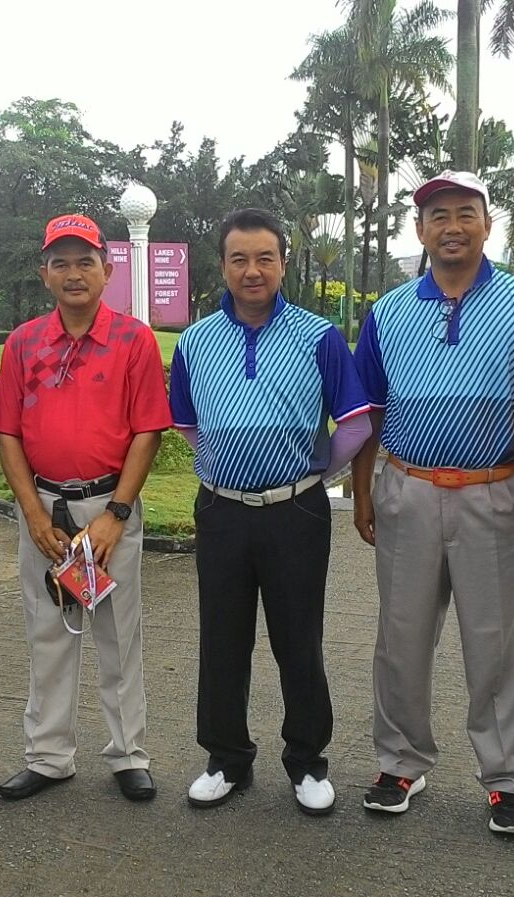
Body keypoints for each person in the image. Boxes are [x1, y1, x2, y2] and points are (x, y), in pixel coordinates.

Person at [351, 170, 514, 833]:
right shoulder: (387, 312)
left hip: (494, 491)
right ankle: (400, 761)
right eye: (438, 215)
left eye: (466, 213)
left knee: (499, 644)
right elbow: (370, 412)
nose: (452, 227)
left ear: (488, 225)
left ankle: (509, 779)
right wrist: (364, 492)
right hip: (406, 488)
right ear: (420, 230)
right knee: (400, 637)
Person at [168, 208, 373, 816]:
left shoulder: (318, 336)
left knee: (298, 639)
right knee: (222, 639)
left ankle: (307, 761)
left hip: (295, 512)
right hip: (222, 510)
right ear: (223, 266)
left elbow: (355, 423)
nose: (252, 270)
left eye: (265, 258)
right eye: (239, 259)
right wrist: (227, 460)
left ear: (284, 264)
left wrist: (314, 474)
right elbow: (186, 422)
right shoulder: (196, 341)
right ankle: (226, 758)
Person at [0, 214, 172, 803]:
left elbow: (148, 431)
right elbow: (6, 432)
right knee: (48, 633)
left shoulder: (133, 340)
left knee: (119, 636)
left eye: (85, 261)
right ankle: (48, 756)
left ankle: (128, 754)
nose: (73, 273)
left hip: (108, 508)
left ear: (107, 270)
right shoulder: (24, 343)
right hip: (46, 509)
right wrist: (35, 516)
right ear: (44, 273)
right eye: (60, 263)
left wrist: (116, 514)